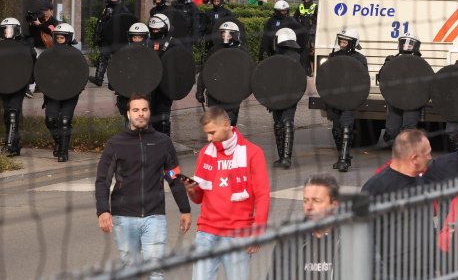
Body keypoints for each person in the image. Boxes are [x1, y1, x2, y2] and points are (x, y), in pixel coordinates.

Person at [95, 93, 191, 280]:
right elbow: (102, 180)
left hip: (155, 216)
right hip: (124, 217)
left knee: (155, 270)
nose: (140, 114)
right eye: (136, 110)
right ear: (128, 113)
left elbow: (173, 176)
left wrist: (185, 209)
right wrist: (103, 210)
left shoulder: (163, 142)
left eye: (144, 109)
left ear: (149, 112)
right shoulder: (116, 144)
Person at [183, 107, 270, 280]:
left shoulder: (253, 153)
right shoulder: (205, 154)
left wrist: (258, 231)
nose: (209, 138)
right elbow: (199, 198)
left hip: (238, 234)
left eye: (212, 133)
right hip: (206, 233)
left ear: (226, 124)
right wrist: (192, 190)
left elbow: (262, 195)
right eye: (206, 134)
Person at [361, 129, 433, 278]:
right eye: (427, 154)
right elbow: (363, 238)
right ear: (414, 159)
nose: (430, 157)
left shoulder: (419, 181)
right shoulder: (376, 188)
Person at [269, 174, 340, 279]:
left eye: (316, 200)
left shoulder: (349, 239)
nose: (309, 207)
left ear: (334, 204)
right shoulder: (289, 239)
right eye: (305, 201)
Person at [42, 24, 84, 162]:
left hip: (70, 94)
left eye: (62, 37)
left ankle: (63, 152)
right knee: (50, 120)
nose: (60, 40)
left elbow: (81, 75)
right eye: (57, 37)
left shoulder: (76, 56)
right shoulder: (49, 54)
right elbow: (43, 73)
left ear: (69, 38)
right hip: (52, 93)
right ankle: (59, 142)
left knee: (65, 120)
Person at [328, 29, 367, 172]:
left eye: (345, 41)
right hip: (335, 99)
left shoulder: (360, 59)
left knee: (346, 127)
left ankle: (344, 161)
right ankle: (342, 156)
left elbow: (362, 80)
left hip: (350, 99)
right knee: (336, 130)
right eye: (341, 41)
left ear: (352, 43)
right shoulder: (333, 56)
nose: (342, 43)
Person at [196, 22, 246, 126]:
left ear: (235, 35)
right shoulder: (214, 50)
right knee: (214, 121)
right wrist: (200, 90)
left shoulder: (241, 51)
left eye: (228, 33)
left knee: (229, 122)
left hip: (232, 94)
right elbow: (206, 70)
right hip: (215, 92)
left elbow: (248, 73)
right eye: (223, 33)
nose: (225, 36)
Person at [378, 32, 424, 144]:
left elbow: (426, 82)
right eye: (404, 44)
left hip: (413, 102)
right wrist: (386, 66)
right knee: (391, 131)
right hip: (395, 100)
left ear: (415, 46)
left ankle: (407, 153)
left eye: (409, 44)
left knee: (408, 131)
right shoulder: (393, 60)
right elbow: (382, 78)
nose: (406, 46)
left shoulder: (420, 63)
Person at [0, 18, 36, 157]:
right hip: (4, 84)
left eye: (10, 29)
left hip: (19, 84)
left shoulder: (25, 45)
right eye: (5, 29)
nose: (7, 32)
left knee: (13, 112)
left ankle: (9, 146)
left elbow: (33, 60)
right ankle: (15, 144)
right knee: (7, 114)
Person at [268, 28, 303, 169]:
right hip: (281, 96)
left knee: (286, 122)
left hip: (287, 96)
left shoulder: (291, 56)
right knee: (279, 123)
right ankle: (282, 157)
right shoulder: (289, 55)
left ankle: (286, 158)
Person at [147, 14, 185, 135]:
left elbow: (181, 65)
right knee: (149, 117)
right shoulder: (147, 43)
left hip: (166, 87)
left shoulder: (174, 44)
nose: (155, 31)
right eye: (152, 29)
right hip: (149, 87)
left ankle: (165, 143)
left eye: (157, 29)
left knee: (163, 118)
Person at [89, 0, 130, 86]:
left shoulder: (123, 9)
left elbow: (126, 23)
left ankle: (114, 81)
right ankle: (98, 79)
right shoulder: (106, 9)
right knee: (102, 58)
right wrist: (97, 36)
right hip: (107, 38)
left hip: (118, 39)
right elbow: (100, 23)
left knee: (118, 60)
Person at [114, 23, 151, 119]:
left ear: (145, 38)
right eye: (135, 37)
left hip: (143, 93)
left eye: (140, 37)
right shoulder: (124, 52)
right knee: (129, 120)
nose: (137, 40)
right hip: (127, 93)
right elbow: (118, 69)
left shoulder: (150, 54)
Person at [293, 0, 318, 76]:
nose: (306, 1)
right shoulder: (300, 7)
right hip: (303, 34)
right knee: (303, 52)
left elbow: (320, 19)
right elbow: (294, 18)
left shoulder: (315, 7)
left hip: (312, 33)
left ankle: (314, 71)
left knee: (313, 52)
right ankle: (304, 71)